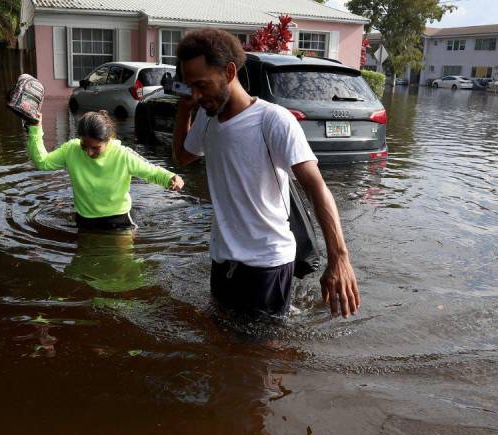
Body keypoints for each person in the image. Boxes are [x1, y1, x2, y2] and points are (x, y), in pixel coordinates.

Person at [172, 29, 360, 318]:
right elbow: (183, 157)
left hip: (267, 263)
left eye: (202, 85)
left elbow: (316, 186)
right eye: (190, 86)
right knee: (223, 339)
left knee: (265, 355)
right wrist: (184, 111)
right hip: (223, 258)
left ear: (230, 71)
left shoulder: (273, 121)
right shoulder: (207, 119)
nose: (196, 94)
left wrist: (339, 258)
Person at [26, 110, 184, 230]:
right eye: (84, 145)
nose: (88, 152)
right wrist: (35, 129)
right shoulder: (71, 149)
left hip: (118, 221)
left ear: (108, 140)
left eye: (95, 148)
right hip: (84, 220)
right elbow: (43, 162)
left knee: (123, 266)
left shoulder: (122, 155)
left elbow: (151, 171)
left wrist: (170, 178)